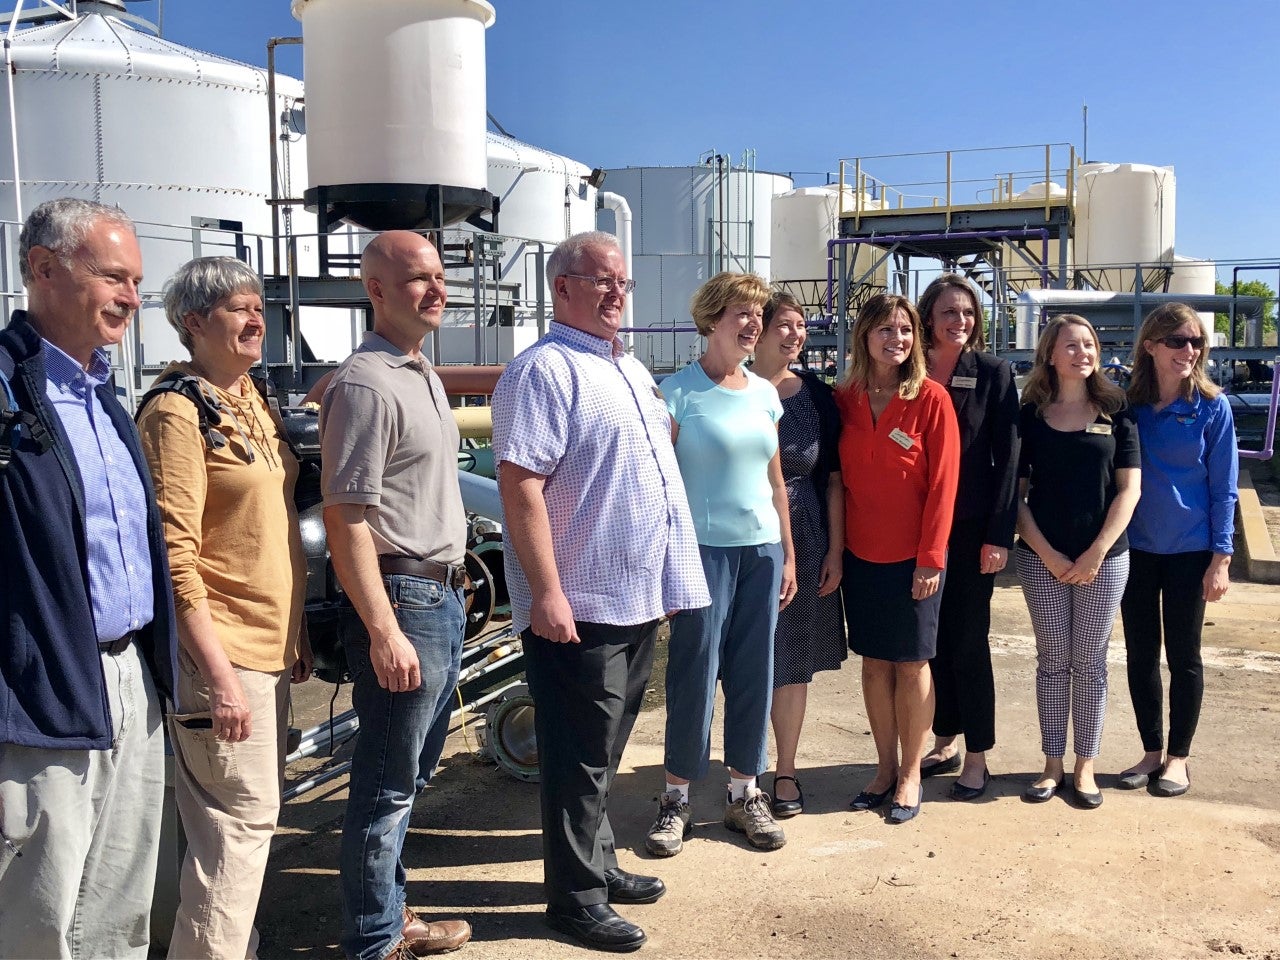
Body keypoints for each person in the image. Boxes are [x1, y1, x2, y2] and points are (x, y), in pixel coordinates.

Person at [492, 231, 709, 953]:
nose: (619, 293)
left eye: (625, 282)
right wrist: (545, 592)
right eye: (603, 280)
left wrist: (670, 575)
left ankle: (600, 864)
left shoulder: (630, 369)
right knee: (578, 756)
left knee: (607, 749)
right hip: (578, 603)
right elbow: (520, 485)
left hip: (636, 595)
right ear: (562, 287)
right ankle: (574, 899)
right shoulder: (542, 372)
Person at [0, 197, 178, 958]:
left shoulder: (103, 394)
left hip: (130, 678)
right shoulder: (9, 391)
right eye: (115, 278)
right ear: (44, 269)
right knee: (41, 912)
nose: (134, 299)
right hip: (43, 687)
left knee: (118, 904)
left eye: (137, 282)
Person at [136, 256, 312, 958]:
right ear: (192, 322)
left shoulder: (248, 399)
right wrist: (220, 673)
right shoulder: (177, 413)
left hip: (265, 648)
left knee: (243, 828)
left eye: (258, 306)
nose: (254, 318)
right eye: (236, 308)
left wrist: (292, 632)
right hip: (223, 652)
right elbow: (174, 558)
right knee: (237, 825)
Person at [321, 231, 472, 959]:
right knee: (385, 784)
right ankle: (373, 940)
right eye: (416, 278)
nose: (435, 289)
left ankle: (390, 913)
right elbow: (345, 517)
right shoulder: (366, 382)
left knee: (408, 776)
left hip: (439, 598)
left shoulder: (419, 372)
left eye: (438, 275)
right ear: (374, 289)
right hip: (402, 598)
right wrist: (383, 631)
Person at [646, 271, 797, 857]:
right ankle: (676, 799)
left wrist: (786, 554)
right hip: (700, 553)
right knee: (694, 672)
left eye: (759, 314)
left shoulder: (763, 393)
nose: (753, 323)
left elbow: (774, 479)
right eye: (743, 313)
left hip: (760, 550)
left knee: (755, 672)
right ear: (712, 319)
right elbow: (659, 483)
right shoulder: (675, 391)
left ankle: (744, 795)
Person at [837, 293, 960, 824]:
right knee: (874, 663)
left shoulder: (931, 398)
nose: (898, 339)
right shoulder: (844, 397)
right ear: (864, 336)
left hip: (916, 558)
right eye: (886, 330)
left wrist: (931, 557)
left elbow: (943, 484)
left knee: (912, 664)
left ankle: (911, 773)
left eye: (906, 330)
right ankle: (883, 769)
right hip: (861, 554)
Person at [1015, 314, 1141, 809]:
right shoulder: (1030, 415)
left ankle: (1085, 765)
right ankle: (1051, 764)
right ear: (1050, 354)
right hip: (1040, 557)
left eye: (1088, 344)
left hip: (1104, 561)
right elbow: (1017, 496)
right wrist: (1046, 553)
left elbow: (1129, 490)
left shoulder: (1117, 411)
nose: (1082, 352)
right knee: (1052, 661)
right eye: (1070, 345)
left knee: (1090, 664)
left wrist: (1095, 552)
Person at [1118, 303, 1238, 798]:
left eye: (1195, 343)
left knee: (1184, 656)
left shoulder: (1212, 406)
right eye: (1177, 342)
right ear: (1150, 346)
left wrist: (1221, 557)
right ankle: (1150, 750)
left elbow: (1223, 486)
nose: (1188, 351)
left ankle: (1179, 757)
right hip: (1137, 550)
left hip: (1190, 552)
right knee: (1140, 654)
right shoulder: (1128, 406)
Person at [916, 275, 1020, 801]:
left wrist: (999, 534)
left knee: (967, 641)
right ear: (928, 318)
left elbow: (1009, 460)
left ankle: (977, 755)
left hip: (972, 529)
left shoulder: (994, 374)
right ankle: (943, 739)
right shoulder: (908, 368)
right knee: (928, 641)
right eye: (949, 313)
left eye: (968, 313)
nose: (960, 322)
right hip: (914, 530)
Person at [749, 292, 845, 817]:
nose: (795, 335)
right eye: (783, 325)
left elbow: (834, 480)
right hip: (740, 529)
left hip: (805, 534)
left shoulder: (818, 397)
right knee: (741, 657)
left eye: (801, 326)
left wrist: (836, 548)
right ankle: (745, 768)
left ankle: (784, 769)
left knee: (793, 659)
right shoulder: (729, 387)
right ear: (756, 332)